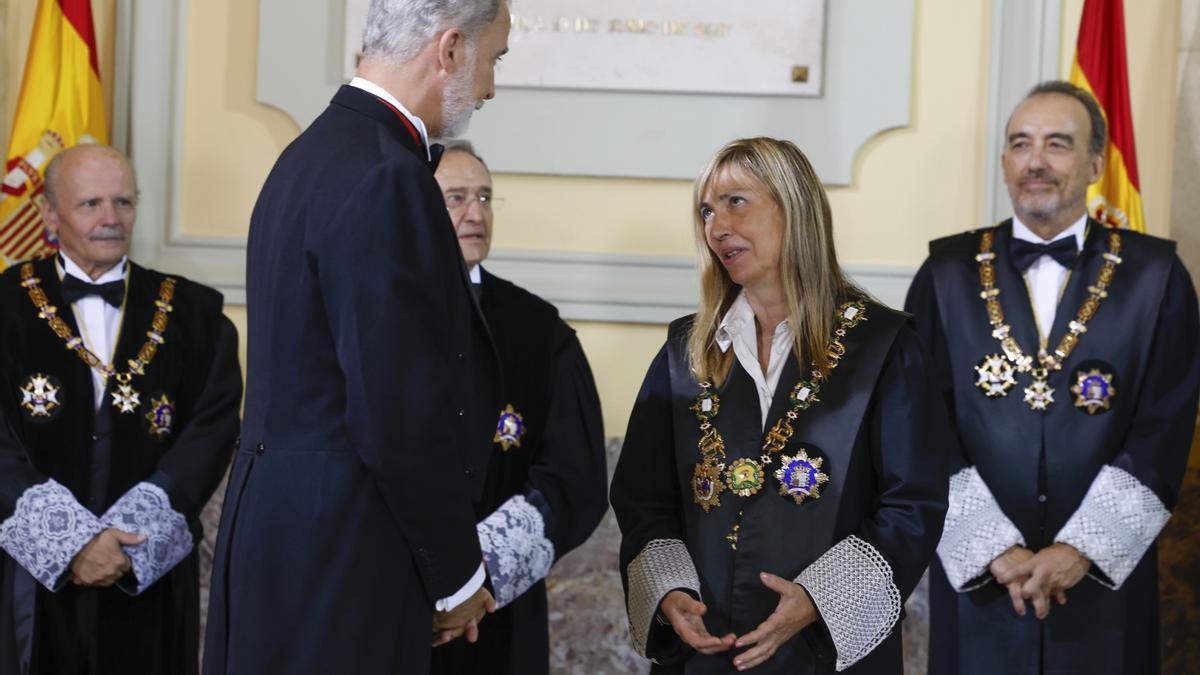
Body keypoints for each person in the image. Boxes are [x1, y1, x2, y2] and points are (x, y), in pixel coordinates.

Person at [201, 2, 510, 673]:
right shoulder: (388, 175)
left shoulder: (308, 155)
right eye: (495, 59)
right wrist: (457, 575)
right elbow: (394, 407)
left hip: (279, 537)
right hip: (341, 549)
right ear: (451, 49)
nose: (490, 86)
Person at [610, 137, 947, 674]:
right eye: (706, 210)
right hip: (706, 652)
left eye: (736, 202)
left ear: (794, 209)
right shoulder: (684, 350)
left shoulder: (884, 347)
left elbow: (913, 506)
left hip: (824, 653)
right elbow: (642, 497)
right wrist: (669, 589)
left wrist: (819, 600)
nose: (717, 226)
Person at [907, 81, 1200, 674]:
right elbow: (918, 428)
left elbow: (1162, 430)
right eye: (1020, 144)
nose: (1035, 161)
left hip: (1100, 589)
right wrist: (995, 551)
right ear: (1005, 162)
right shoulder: (943, 273)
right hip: (983, 587)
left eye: (1058, 144)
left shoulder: (1157, 276)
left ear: (1096, 163)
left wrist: (1079, 550)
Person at [0, 144, 242, 674]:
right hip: (30, 577)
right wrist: (69, 541)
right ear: (48, 214)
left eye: (123, 202)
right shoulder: (5, 305)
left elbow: (214, 426)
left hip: (146, 575)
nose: (111, 219)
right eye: (90, 204)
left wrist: (126, 542)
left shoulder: (196, 314)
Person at [428, 140, 608, 674]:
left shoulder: (538, 330)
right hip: (390, 598)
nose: (476, 212)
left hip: (500, 607)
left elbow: (575, 474)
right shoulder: (378, 313)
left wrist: (476, 572)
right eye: (455, 198)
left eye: (485, 197)